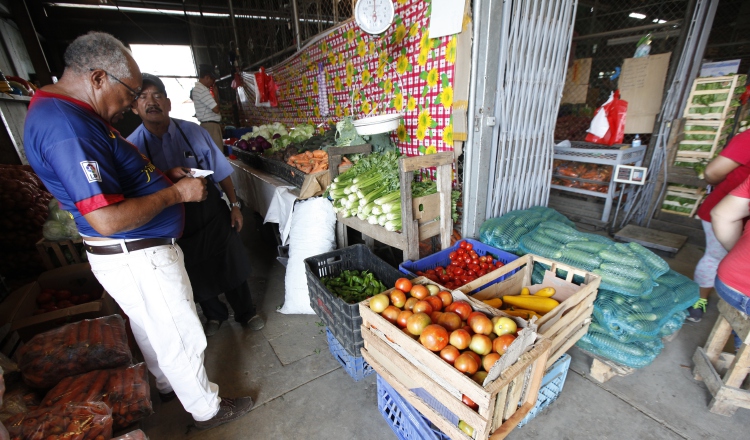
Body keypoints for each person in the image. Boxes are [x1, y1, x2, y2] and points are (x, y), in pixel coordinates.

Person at [22, 32, 253, 430]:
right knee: (178, 333)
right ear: (98, 78)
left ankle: (166, 386)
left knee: (151, 330)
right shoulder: (69, 128)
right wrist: (175, 193)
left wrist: (164, 177)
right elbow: (106, 218)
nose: (131, 104)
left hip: (131, 253)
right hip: (137, 254)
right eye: (129, 93)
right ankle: (207, 410)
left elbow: (118, 184)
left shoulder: (70, 115)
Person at [128, 74, 264, 336]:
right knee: (193, 269)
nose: (150, 102)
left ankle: (246, 312)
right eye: (142, 97)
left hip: (209, 209)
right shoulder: (132, 146)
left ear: (168, 103)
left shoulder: (193, 132)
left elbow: (221, 171)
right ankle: (214, 314)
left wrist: (234, 205)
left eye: (156, 95)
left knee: (229, 260)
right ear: (133, 107)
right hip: (172, 218)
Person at [688, 130, 750, 322]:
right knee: (715, 256)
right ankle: (698, 301)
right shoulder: (748, 138)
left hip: (736, 212)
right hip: (728, 208)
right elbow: (712, 172)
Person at [711, 174, 750, 348]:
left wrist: (740, 256)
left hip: (728, 282)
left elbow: (721, 215)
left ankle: (740, 345)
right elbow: (712, 172)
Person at [192, 64, 224, 154]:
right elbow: (216, 109)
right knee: (218, 155)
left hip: (210, 125)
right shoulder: (202, 90)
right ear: (207, 77)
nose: (213, 83)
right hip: (210, 127)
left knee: (214, 154)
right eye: (213, 79)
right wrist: (216, 94)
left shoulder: (199, 89)